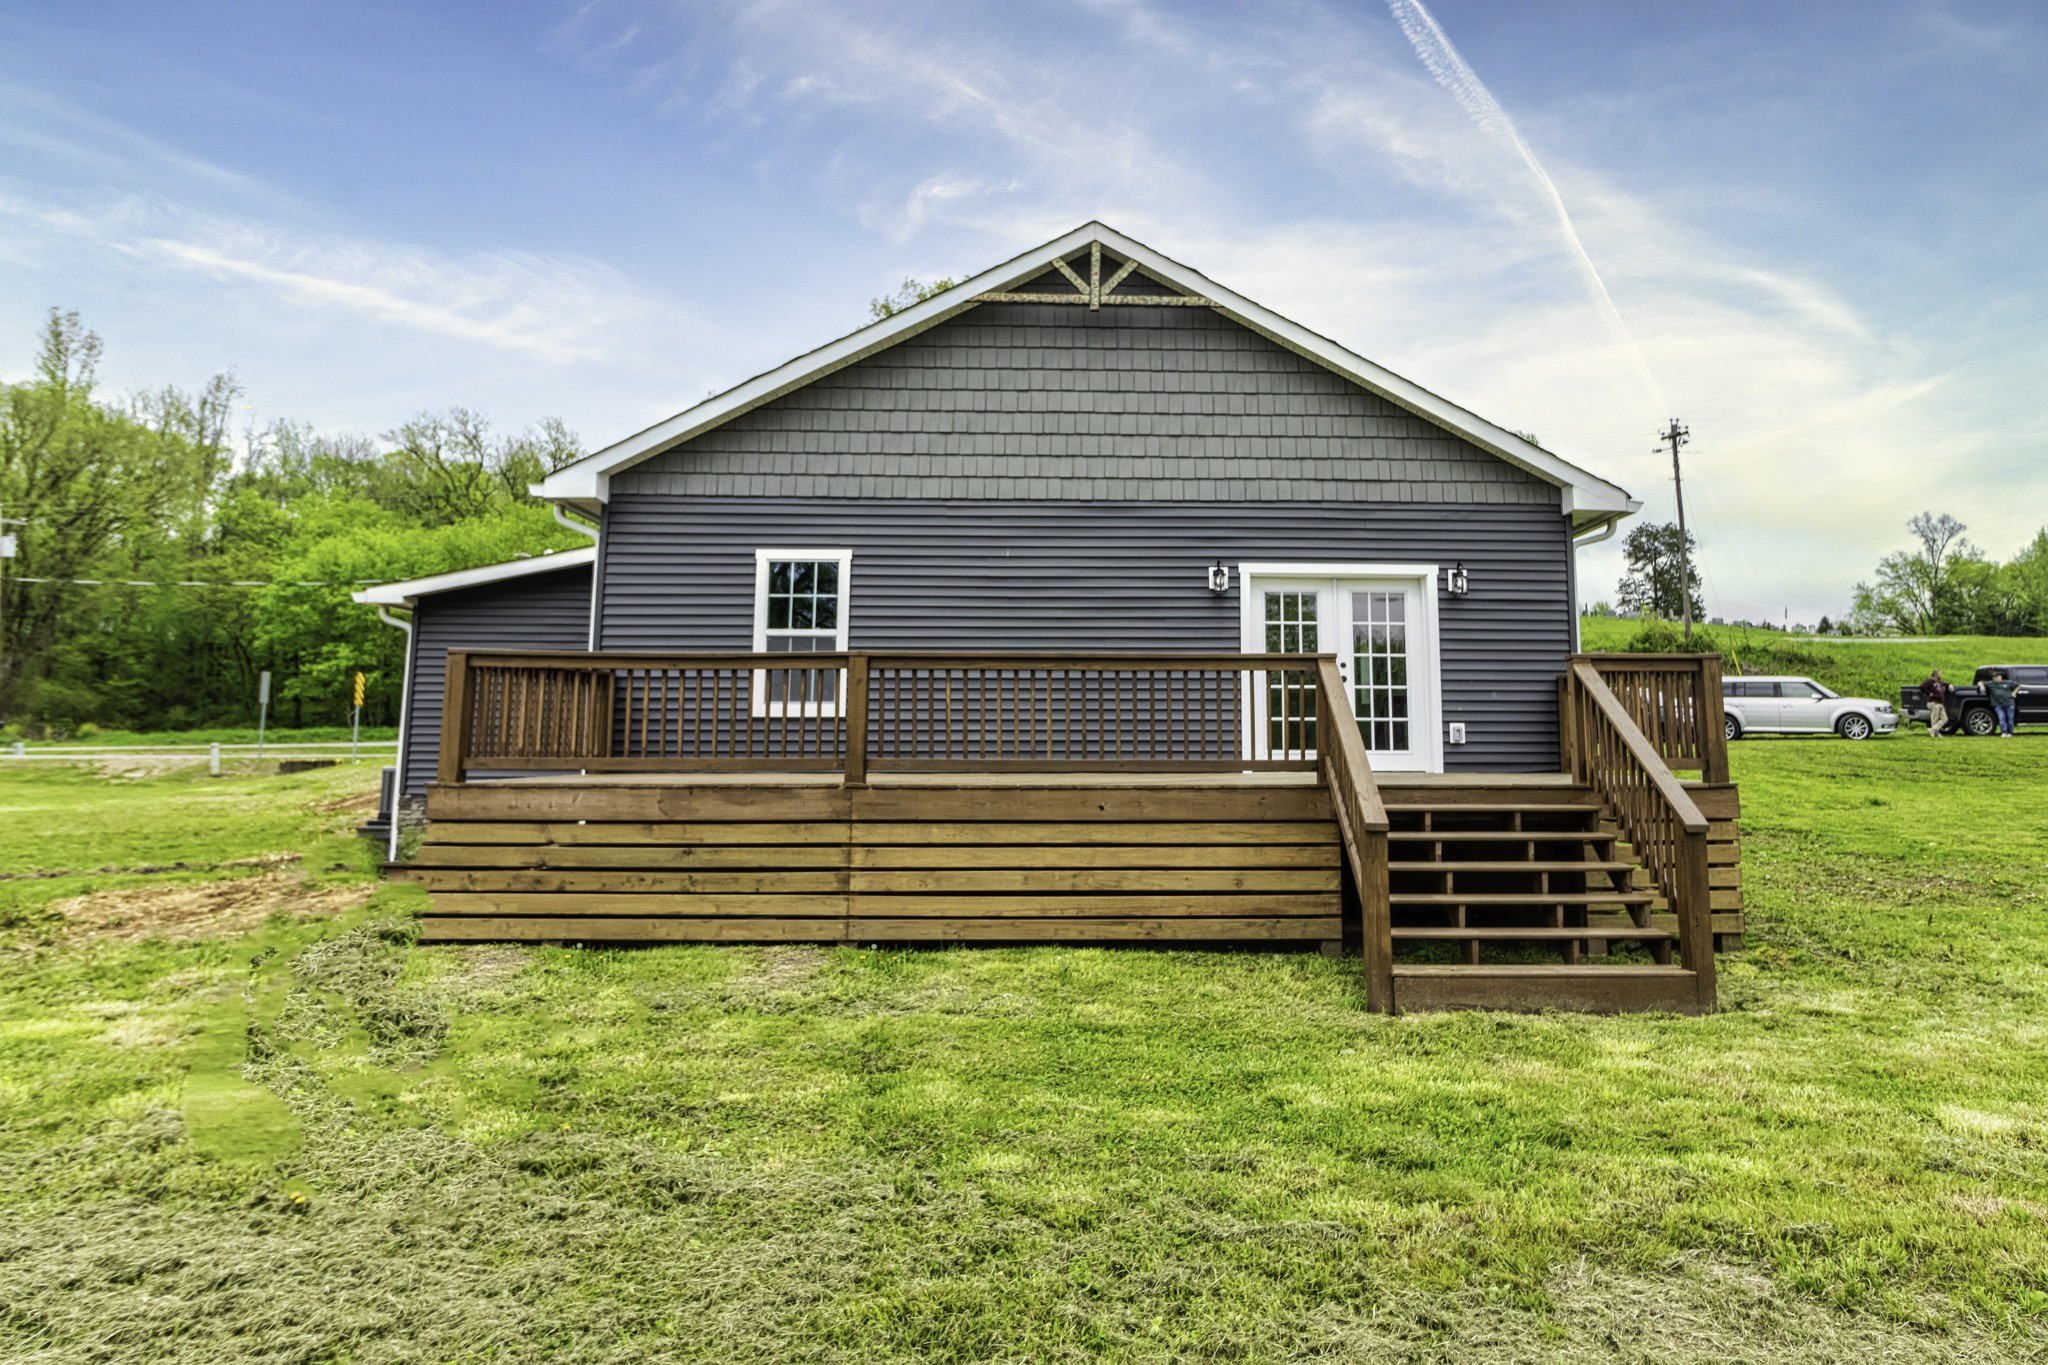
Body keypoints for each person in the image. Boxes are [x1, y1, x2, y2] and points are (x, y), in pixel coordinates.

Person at [1983, 670, 2025, 738]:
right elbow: (1980, 682)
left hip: (2009, 703)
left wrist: (2014, 693)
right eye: (1993, 677)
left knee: (2010, 719)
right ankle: (2004, 732)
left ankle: (2010, 732)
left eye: (1996, 676)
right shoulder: (1991, 683)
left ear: (2000, 677)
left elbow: (2018, 686)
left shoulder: (2008, 682)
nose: (1995, 678)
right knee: (2001, 719)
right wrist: (1981, 686)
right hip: (1998, 704)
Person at [1921, 669, 1951, 737]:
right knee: (1935, 719)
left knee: (1944, 719)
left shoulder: (1938, 682)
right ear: (1936, 674)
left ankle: (1933, 730)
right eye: (1939, 673)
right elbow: (1922, 686)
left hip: (1940, 703)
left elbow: (1944, 683)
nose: (1940, 674)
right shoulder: (1930, 681)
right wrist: (1930, 693)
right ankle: (1936, 733)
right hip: (1933, 702)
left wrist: (1949, 685)